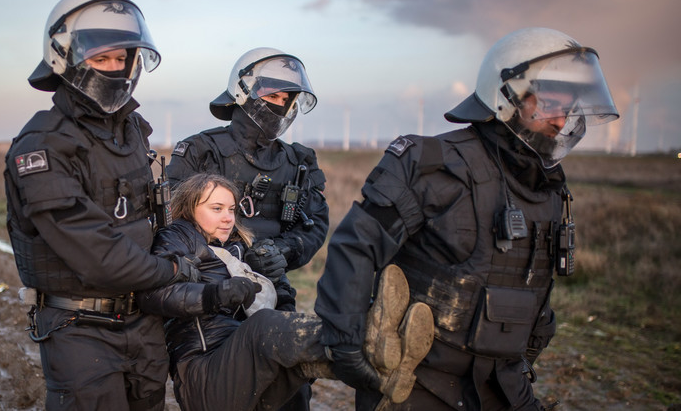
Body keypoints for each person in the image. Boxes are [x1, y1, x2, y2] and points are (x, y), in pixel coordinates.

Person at [314, 27, 619, 410]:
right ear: (507, 95)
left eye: (569, 109)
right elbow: (355, 247)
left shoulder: (551, 189)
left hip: (507, 387)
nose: (562, 121)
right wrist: (346, 345)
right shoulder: (433, 165)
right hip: (417, 384)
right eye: (551, 104)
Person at [4, 0, 185, 409]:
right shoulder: (43, 145)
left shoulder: (133, 133)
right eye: (102, 57)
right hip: (79, 328)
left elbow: (154, 219)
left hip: (143, 324)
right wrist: (174, 269)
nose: (117, 69)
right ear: (65, 57)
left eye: (123, 57)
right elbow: (96, 252)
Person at [136, 172, 435, 411]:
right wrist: (216, 295)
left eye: (231, 209)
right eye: (216, 209)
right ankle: (368, 332)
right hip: (205, 377)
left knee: (300, 364)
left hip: (251, 376)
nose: (228, 217)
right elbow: (155, 295)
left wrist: (274, 278)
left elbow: (283, 310)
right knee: (262, 328)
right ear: (189, 208)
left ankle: (385, 370)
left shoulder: (241, 247)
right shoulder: (177, 237)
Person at [166, 47, 329, 409]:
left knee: (291, 393)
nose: (282, 106)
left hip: (274, 293)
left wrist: (282, 253)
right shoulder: (199, 151)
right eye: (272, 96)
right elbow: (170, 225)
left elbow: (315, 224)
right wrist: (223, 259)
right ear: (245, 94)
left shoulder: (298, 162)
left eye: (288, 99)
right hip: (210, 297)